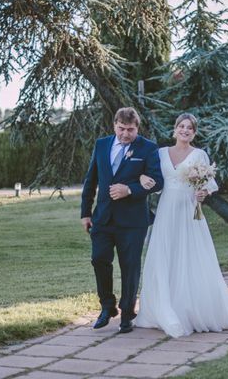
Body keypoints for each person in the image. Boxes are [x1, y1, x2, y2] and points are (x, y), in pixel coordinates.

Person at [134, 113, 228, 337]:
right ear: (175, 129)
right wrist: (144, 180)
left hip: (189, 212)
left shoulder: (199, 154)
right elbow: (152, 178)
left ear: (194, 132)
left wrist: (203, 192)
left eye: (189, 128)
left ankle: (191, 310)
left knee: (191, 257)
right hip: (166, 211)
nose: (185, 130)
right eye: (181, 126)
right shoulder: (160, 153)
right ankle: (162, 308)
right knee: (164, 256)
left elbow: (210, 184)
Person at [81, 107, 164, 333]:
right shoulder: (101, 145)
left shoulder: (148, 148)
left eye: (130, 130)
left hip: (133, 221)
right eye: (121, 129)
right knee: (99, 260)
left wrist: (129, 189)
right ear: (114, 125)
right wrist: (85, 213)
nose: (126, 134)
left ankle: (127, 313)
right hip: (103, 218)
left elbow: (157, 182)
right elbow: (91, 181)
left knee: (130, 267)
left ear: (137, 128)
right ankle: (107, 307)